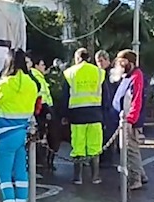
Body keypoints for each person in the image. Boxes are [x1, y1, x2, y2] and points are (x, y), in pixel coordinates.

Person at [0, 49, 39, 202]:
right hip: (22, 133)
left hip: (6, 134)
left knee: (4, 174)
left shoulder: (2, 85)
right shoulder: (32, 84)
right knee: (21, 173)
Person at [61, 48, 106, 184]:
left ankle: (78, 177)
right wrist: (104, 115)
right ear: (89, 58)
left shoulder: (70, 73)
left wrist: (64, 115)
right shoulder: (99, 72)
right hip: (95, 114)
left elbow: (65, 96)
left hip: (77, 115)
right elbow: (106, 96)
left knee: (78, 146)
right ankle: (95, 176)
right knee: (95, 146)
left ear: (77, 58)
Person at [113, 49, 148, 190]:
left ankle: (135, 179)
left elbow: (136, 100)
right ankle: (141, 175)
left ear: (130, 62)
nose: (119, 65)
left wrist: (130, 120)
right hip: (125, 119)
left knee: (130, 149)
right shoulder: (128, 76)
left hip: (129, 121)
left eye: (122, 62)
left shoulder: (136, 77)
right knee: (131, 149)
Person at [97, 50, 120, 166]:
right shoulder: (98, 74)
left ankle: (107, 160)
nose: (99, 64)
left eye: (101, 61)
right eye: (98, 61)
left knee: (109, 134)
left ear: (107, 60)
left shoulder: (112, 74)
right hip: (101, 108)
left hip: (110, 108)